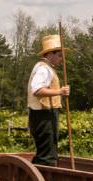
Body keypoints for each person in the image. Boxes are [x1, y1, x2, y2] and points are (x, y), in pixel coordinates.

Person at [27, 34, 70, 166]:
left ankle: (37, 177)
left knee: (47, 151)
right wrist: (60, 91)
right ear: (50, 54)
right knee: (47, 156)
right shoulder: (43, 69)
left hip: (44, 115)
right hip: (43, 116)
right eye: (59, 55)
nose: (61, 59)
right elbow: (37, 90)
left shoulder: (47, 68)